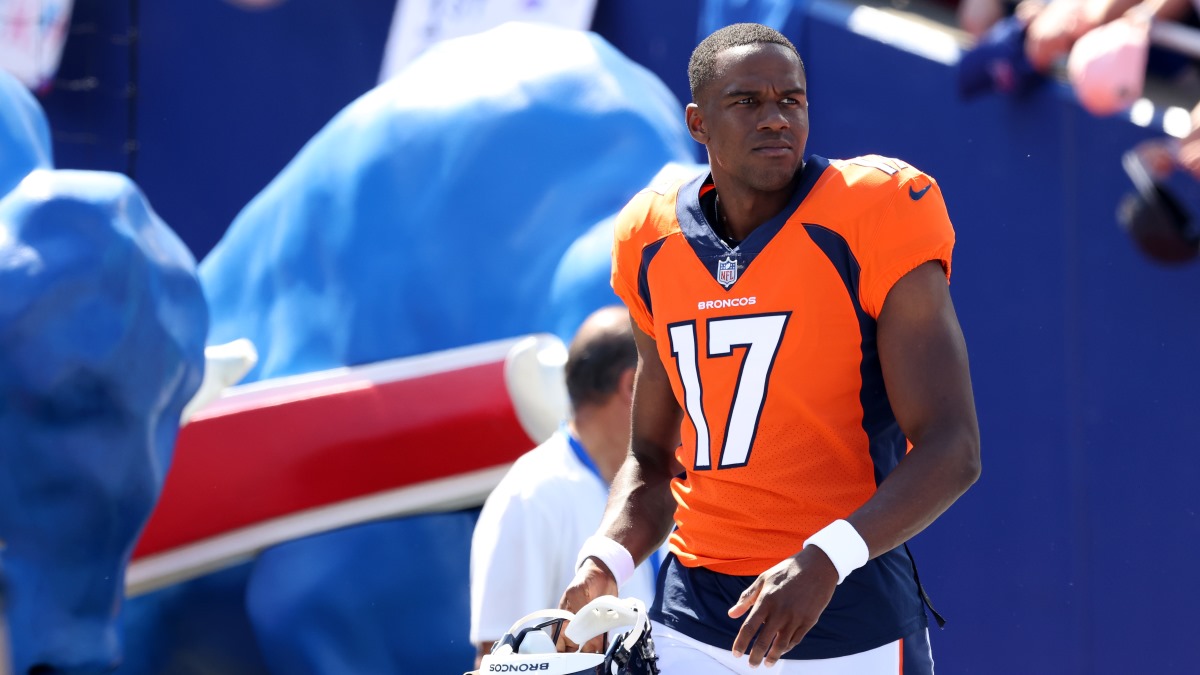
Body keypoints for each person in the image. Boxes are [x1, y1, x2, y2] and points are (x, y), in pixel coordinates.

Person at [559, 22, 981, 674]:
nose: (776, 118)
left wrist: (825, 558)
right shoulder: (651, 237)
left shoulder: (873, 210)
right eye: (747, 101)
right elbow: (652, 459)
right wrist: (604, 559)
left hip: (849, 617)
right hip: (695, 616)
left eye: (792, 100)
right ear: (698, 123)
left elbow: (954, 447)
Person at [469, 305, 664, 667]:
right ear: (632, 385)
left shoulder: (666, 484)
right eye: (672, 379)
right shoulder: (530, 496)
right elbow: (497, 659)